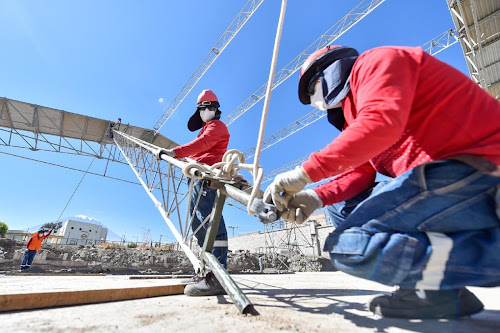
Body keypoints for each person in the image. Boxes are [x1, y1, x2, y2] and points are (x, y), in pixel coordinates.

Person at [264, 45, 500, 319]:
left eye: (313, 88)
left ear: (332, 68)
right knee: (339, 209)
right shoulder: (353, 116)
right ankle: (438, 294)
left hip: (477, 168)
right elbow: (360, 172)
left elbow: (381, 123)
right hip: (443, 185)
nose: (317, 101)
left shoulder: (377, 62)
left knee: (347, 248)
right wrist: (314, 197)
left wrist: (304, 173)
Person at [158, 89, 230, 296]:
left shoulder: (217, 126)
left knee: (209, 223)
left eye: (206, 109)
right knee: (198, 224)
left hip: (207, 178)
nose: (203, 113)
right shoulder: (206, 129)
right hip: (197, 180)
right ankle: (206, 271)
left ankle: (217, 276)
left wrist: (175, 152)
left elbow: (203, 144)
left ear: (213, 109)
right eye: (202, 109)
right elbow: (199, 146)